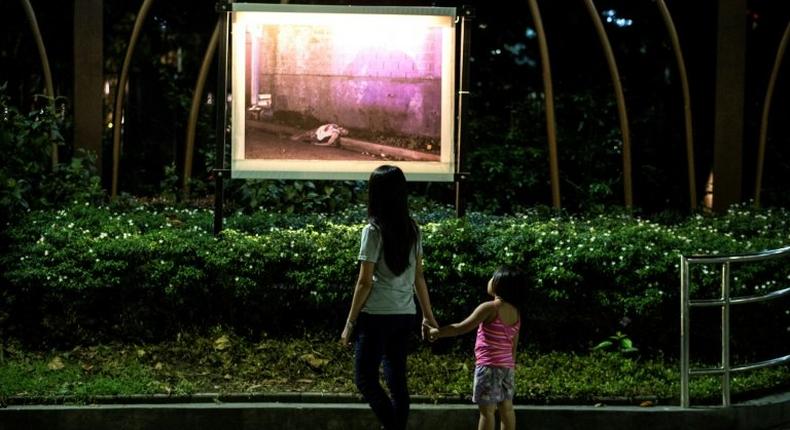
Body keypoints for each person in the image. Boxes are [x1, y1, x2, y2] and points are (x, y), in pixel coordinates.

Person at [340, 165, 438, 430]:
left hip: (375, 318)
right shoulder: (413, 230)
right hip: (404, 315)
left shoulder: (373, 231)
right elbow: (419, 278)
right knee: (397, 382)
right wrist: (428, 317)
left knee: (365, 378)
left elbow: (364, 282)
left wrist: (349, 324)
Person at [425, 267, 525, 430]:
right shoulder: (516, 313)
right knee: (506, 409)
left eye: (493, 278)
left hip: (488, 367)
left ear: (500, 285)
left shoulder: (489, 308)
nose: (490, 280)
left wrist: (438, 333)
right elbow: (513, 346)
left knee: (487, 412)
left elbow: (461, 327)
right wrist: (510, 366)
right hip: (507, 367)